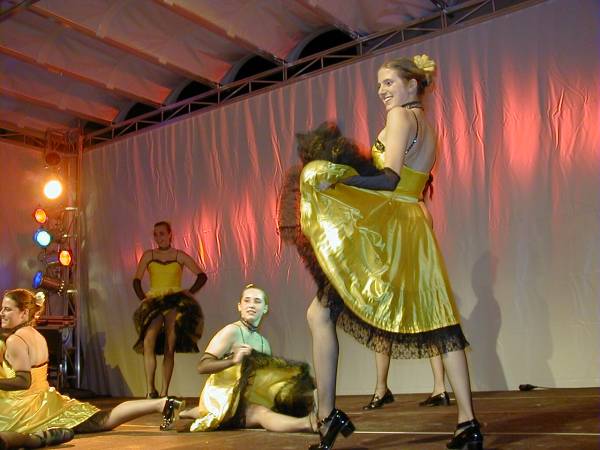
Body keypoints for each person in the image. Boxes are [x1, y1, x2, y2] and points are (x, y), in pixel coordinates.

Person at [297, 55, 483, 450]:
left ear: (412, 85)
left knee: (320, 313)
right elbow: (408, 184)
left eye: (389, 83)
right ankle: (468, 422)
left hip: (392, 230)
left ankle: (327, 416)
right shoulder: (425, 125)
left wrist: (338, 182)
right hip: (412, 226)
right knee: (440, 321)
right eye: (379, 84)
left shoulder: (399, 117)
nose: (382, 90)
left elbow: (388, 180)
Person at [0, 289, 183, 437]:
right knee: (104, 420)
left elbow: (24, 381)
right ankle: (161, 404)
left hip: (30, 411)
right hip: (44, 402)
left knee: (104, 420)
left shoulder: (16, 340)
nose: (1, 313)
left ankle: (161, 404)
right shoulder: (37, 336)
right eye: (2, 309)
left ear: (24, 313)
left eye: (7, 309)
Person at [177, 284, 317, 434]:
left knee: (287, 402)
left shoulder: (263, 343)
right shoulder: (231, 331)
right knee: (260, 413)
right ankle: (309, 424)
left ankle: (186, 411)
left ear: (265, 308)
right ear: (239, 306)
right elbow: (202, 366)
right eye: (247, 300)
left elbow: (264, 381)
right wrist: (232, 361)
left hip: (244, 397)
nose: (251, 305)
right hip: (223, 397)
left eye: (257, 301)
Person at [133, 221, 207, 398]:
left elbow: (201, 276)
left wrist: (189, 292)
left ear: (169, 234)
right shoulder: (149, 255)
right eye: (155, 234)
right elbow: (136, 280)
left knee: (169, 345)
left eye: (162, 233)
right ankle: (150, 389)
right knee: (149, 341)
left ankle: (165, 391)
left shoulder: (179, 255)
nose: (158, 237)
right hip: (155, 301)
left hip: (174, 301)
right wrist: (143, 298)